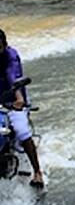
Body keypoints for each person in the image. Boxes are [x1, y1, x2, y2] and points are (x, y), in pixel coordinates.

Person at [0, 30, 44, 188]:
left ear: (4, 44)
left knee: (22, 131)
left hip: (12, 102)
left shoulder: (11, 57)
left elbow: (12, 76)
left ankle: (37, 172)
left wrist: (19, 99)